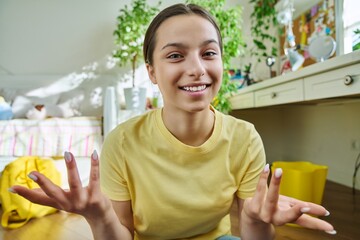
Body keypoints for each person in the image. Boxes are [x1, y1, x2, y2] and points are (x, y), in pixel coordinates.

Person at [10, 3, 336, 240]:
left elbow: (255, 235)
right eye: (176, 55)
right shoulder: (122, 142)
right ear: (151, 71)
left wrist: (256, 219)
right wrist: (100, 215)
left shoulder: (244, 137)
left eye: (209, 53)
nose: (197, 68)